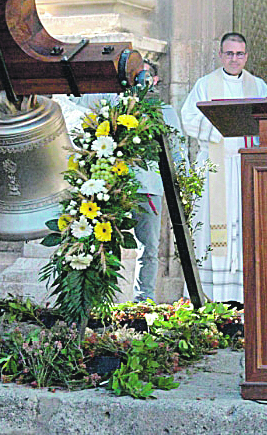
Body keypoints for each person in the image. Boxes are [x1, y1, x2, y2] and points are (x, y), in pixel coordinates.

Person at [56, 61, 187, 302]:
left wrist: (184, 179)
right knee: (100, 242)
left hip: (148, 187)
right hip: (111, 186)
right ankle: (96, 298)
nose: (139, 79)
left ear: (155, 80)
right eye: (134, 74)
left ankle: (143, 299)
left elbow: (177, 148)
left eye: (145, 75)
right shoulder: (113, 101)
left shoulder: (164, 110)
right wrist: (64, 75)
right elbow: (78, 97)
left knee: (148, 247)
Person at [180, 32, 267, 304]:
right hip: (214, 167)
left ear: (246, 56)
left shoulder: (259, 86)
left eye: (239, 53)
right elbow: (189, 117)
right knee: (209, 224)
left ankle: (243, 291)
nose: (234, 58)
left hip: (246, 166)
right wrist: (223, 130)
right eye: (229, 53)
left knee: (245, 224)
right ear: (220, 55)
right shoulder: (205, 84)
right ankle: (210, 292)